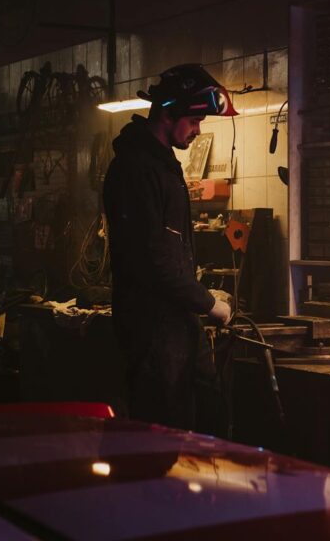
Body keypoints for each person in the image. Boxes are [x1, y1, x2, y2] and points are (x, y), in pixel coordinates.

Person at [103, 63, 236, 430]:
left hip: (174, 328)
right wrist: (209, 304)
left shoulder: (164, 167)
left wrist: (196, 295)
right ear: (167, 114)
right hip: (152, 335)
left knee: (196, 430)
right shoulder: (137, 169)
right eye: (193, 122)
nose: (197, 131)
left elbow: (168, 253)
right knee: (161, 440)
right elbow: (154, 261)